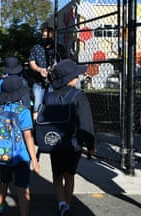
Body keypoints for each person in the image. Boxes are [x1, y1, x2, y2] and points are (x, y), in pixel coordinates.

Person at [48, 59, 95, 216]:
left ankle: (62, 204)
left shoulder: (50, 96)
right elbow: (86, 123)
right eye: (76, 75)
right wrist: (91, 145)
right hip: (73, 143)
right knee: (69, 175)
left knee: (57, 175)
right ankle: (67, 205)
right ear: (70, 78)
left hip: (54, 141)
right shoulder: (78, 95)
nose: (78, 77)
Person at [0, 75, 40, 216]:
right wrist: (34, 160)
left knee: (4, 181)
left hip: (3, 152)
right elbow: (28, 136)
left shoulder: (0, 109)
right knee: (22, 187)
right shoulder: (23, 111)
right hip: (21, 155)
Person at [28, 26, 68, 120]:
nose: (45, 38)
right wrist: (39, 69)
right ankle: (36, 125)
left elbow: (65, 62)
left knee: (52, 103)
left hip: (54, 81)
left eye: (48, 36)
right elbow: (31, 62)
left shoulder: (59, 48)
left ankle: (52, 123)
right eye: (44, 36)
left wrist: (54, 68)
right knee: (37, 104)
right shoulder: (36, 47)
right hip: (38, 81)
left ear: (53, 36)